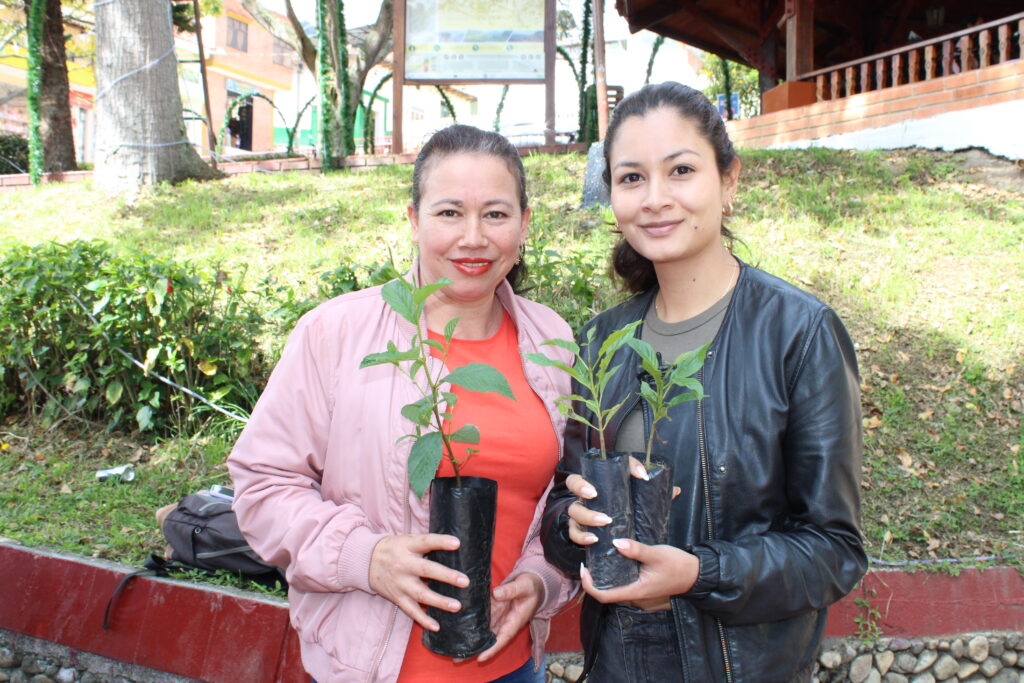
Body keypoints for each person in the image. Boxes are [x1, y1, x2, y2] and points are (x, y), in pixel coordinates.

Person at [540, 82, 867, 682]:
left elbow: (833, 551)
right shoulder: (601, 341)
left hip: (739, 666)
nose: (655, 199)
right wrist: (568, 524)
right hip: (617, 660)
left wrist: (698, 572)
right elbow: (565, 499)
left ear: (729, 182)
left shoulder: (799, 333)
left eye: (681, 170)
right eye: (631, 178)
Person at [228, 124, 578, 683]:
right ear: (413, 220)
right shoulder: (336, 334)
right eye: (448, 213)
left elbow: (564, 498)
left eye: (495, 214)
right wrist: (365, 558)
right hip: (372, 671)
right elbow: (263, 485)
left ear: (524, 223)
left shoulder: (551, 341)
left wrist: (542, 581)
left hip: (513, 668)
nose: (473, 237)